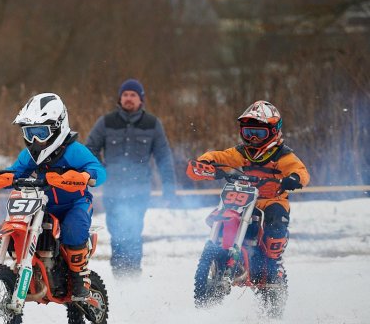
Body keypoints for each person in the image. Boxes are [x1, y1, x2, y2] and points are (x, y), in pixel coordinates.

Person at [0, 93, 106, 299]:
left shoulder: (74, 151)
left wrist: (85, 175)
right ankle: (24, 265)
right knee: (19, 224)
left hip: (74, 203)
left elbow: (98, 169)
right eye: (29, 133)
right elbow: (15, 172)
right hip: (42, 205)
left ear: (58, 128)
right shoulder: (28, 156)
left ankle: (80, 277)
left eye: (40, 132)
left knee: (73, 227)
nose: (34, 140)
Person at [186, 100, 309, 283]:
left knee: (276, 220)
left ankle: (274, 265)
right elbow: (221, 156)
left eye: (258, 133)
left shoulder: (282, 155)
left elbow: (300, 170)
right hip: (246, 197)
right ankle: (223, 252)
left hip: (272, 199)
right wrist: (206, 162)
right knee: (227, 212)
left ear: (274, 132)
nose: (252, 138)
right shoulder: (242, 153)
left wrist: (294, 179)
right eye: (248, 132)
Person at [85, 78, 176, 276]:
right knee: (117, 234)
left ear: (141, 99)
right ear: (120, 98)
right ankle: (119, 274)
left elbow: (164, 157)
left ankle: (133, 274)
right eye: (125, 94)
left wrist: (169, 188)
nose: (128, 98)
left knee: (133, 233)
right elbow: (90, 148)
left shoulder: (152, 124)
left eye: (133, 95)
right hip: (113, 190)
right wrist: (100, 171)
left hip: (139, 191)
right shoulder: (106, 121)